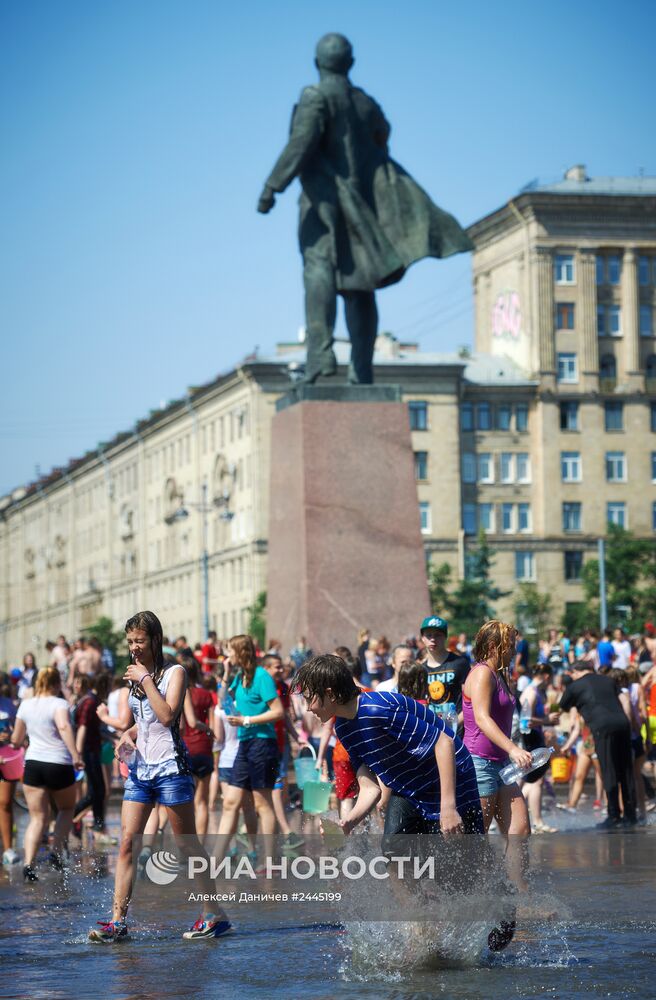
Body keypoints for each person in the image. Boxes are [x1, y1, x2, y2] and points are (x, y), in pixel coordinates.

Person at [257, 33, 471, 384]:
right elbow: (382, 139)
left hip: (324, 205)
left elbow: (301, 145)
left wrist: (271, 188)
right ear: (350, 64)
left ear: (316, 64)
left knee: (319, 271)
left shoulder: (315, 96)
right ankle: (362, 369)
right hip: (362, 208)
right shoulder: (366, 104)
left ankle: (319, 356)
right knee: (360, 287)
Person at [89, 611, 231, 942]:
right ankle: (117, 922)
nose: (134, 648)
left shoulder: (174, 673)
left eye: (139, 641)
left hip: (170, 768)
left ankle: (214, 914)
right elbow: (147, 720)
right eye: (129, 643)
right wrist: (130, 734)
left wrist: (145, 681)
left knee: (187, 846)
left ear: (155, 640)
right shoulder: (136, 677)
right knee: (127, 843)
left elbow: (167, 715)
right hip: (141, 770)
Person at [10, 666, 83, 880]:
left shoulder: (25, 705)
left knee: (37, 818)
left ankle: (28, 865)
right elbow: (63, 727)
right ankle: (55, 851)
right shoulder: (59, 703)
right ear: (55, 684)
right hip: (58, 762)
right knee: (67, 808)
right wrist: (76, 755)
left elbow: (16, 739)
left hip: (33, 763)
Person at [216, 635, 283, 865]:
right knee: (229, 802)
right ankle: (214, 861)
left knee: (262, 803)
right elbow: (223, 700)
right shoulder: (240, 676)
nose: (228, 656)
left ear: (241, 652)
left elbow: (278, 712)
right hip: (245, 745)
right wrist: (225, 675)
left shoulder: (262, 677)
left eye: (230, 652)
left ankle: (269, 860)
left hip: (262, 744)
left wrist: (247, 720)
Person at [462, 621, 532, 837]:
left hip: (501, 763)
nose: (514, 651)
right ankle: (462, 872)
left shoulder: (500, 674)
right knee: (476, 838)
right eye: (510, 645)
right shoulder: (482, 673)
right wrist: (514, 749)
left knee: (520, 832)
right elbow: (482, 718)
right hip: (479, 763)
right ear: (493, 646)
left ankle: (515, 873)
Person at [559, 660, 637, 829]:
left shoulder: (575, 685)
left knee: (609, 770)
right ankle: (631, 815)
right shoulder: (608, 680)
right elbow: (623, 699)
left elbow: (563, 705)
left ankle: (614, 815)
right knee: (626, 770)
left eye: (571, 674)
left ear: (577, 671)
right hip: (622, 723)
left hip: (602, 726)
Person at [518, 665, 560, 833]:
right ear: (546, 676)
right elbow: (525, 720)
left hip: (533, 737)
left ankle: (535, 821)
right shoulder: (532, 692)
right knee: (535, 781)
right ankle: (536, 822)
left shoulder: (535, 692)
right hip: (530, 739)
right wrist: (546, 720)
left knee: (533, 781)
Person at [72, 674, 112, 844]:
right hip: (88, 751)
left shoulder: (90, 700)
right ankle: (74, 817)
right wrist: (78, 753)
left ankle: (94, 824)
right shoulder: (90, 702)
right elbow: (82, 727)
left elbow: (98, 729)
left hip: (91, 749)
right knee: (97, 790)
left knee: (97, 790)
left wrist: (115, 737)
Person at [181, 658, 215, 840]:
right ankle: (199, 846)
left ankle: (188, 844)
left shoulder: (180, 693)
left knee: (187, 801)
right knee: (202, 801)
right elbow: (212, 723)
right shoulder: (206, 694)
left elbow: (189, 722)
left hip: (187, 748)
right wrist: (209, 731)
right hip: (204, 749)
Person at [418, 616, 470, 725]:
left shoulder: (460, 663)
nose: (433, 639)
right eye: (428, 635)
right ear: (422, 638)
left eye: (438, 635)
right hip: (431, 731)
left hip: (457, 731)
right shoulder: (420, 669)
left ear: (445, 637)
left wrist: (452, 725)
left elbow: (471, 702)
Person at [0, 682, 19, 865]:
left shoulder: (7, 704)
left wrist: (12, 737)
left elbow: (15, 729)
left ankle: (8, 848)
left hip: (6, 757)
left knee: (5, 803)